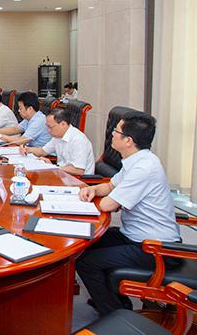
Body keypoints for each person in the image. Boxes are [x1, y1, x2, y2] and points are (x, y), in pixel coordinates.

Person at [76, 111, 180, 316]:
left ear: (128, 140)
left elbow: (107, 205)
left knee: (86, 262)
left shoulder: (144, 168)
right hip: (134, 235)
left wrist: (104, 197)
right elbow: (110, 186)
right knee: (87, 243)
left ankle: (115, 314)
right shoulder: (136, 160)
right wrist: (93, 189)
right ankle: (117, 302)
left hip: (155, 248)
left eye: (116, 131)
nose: (111, 135)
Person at [20, 107, 95, 175]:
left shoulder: (78, 140)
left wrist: (53, 167)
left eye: (50, 127)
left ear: (63, 124)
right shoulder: (57, 137)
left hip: (78, 180)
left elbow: (78, 170)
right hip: (62, 174)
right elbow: (42, 151)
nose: (48, 131)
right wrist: (27, 149)